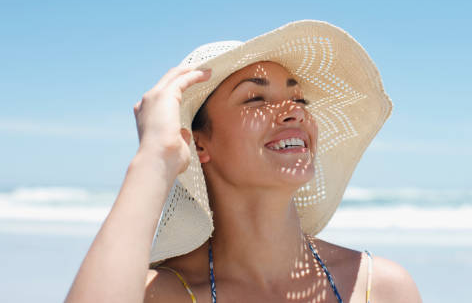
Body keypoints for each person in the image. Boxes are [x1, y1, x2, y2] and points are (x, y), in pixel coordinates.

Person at [66, 20, 422, 303]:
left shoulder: (379, 287)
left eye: (300, 99)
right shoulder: (162, 293)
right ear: (198, 144)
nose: (292, 112)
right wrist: (155, 159)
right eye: (255, 99)